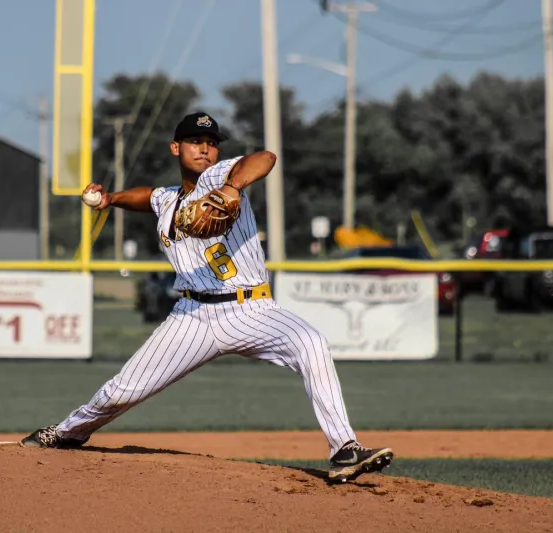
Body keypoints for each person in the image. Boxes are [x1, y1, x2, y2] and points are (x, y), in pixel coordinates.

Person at [20, 111, 394, 483]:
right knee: (120, 392)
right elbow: (149, 197)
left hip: (252, 309)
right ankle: (68, 432)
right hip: (192, 316)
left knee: (311, 343)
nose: (205, 150)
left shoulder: (218, 177)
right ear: (175, 147)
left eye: (211, 143)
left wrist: (232, 188)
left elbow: (264, 159)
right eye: (195, 142)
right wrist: (111, 199)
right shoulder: (168, 199)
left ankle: (344, 448)